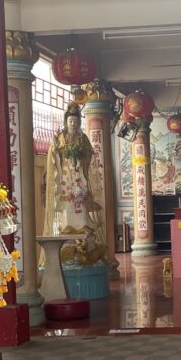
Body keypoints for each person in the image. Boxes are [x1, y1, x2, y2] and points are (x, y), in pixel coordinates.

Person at [44, 104, 110, 264]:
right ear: (66, 122)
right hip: (66, 179)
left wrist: (80, 157)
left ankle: (87, 244)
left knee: (82, 208)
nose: (73, 124)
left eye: (75, 121)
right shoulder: (60, 137)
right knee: (67, 210)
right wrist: (55, 148)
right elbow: (55, 155)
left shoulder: (83, 138)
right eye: (70, 121)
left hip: (79, 177)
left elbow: (89, 155)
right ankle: (69, 246)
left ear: (79, 122)